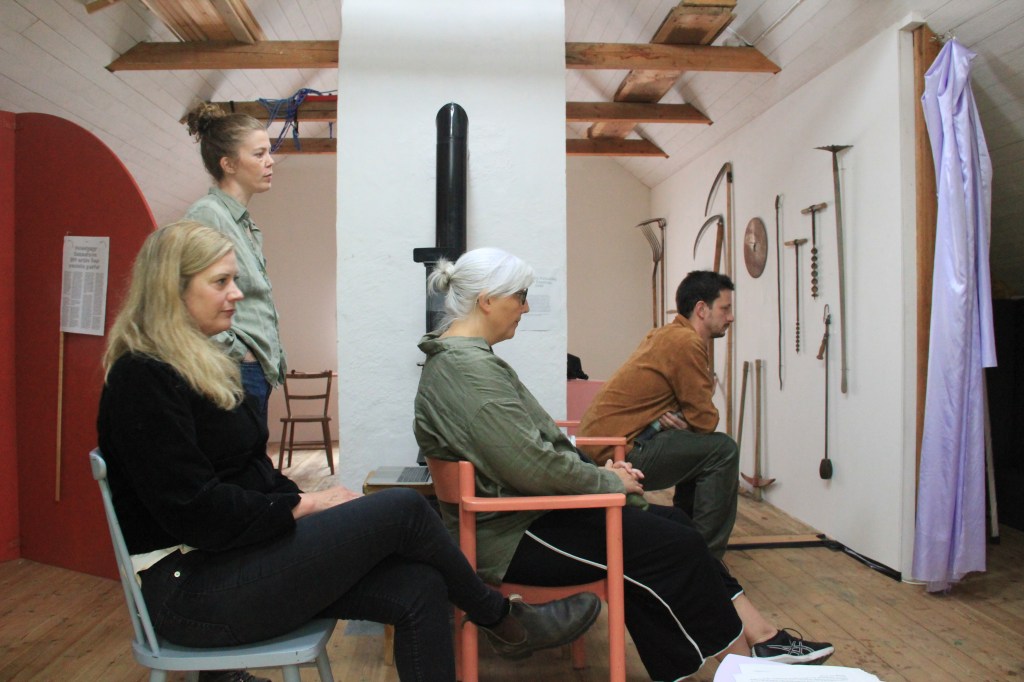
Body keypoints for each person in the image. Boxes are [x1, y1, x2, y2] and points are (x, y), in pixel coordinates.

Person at [97, 223, 603, 682]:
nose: (236, 295)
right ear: (172, 288)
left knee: (420, 585)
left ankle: (503, 621)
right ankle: (501, 618)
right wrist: (305, 506)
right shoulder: (141, 377)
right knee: (404, 507)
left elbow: (248, 472)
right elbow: (195, 510)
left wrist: (302, 506)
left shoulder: (200, 366)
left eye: (235, 281)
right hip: (188, 590)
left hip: (229, 563)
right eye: (221, 282)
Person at [413, 249, 834, 680]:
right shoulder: (467, 371)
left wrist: (605, 477)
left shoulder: (468, 362)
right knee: (676, 547)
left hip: (525, 516)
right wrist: (606, 481)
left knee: (678, 527)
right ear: (487, 300)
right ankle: (742, 665)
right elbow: (531, 466)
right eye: (520, 297)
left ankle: (760, 639)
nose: (526, 307)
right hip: (512, 535)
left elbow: (529, 453)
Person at [579, 270, 740, 559]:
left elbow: (692, 418)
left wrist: (680, 423)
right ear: (701, 309)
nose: (730, 317)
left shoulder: (667, 334)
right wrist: (688, 419)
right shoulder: (686, 343)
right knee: (723, 449)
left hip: (605, 446)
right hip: (616, 453)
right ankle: (706, 559)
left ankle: (686, 544)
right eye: (725, 309)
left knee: (701, 449)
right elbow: (705, 421)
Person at [183, 102, 285, 424]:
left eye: (269, 152)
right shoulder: (207, 215)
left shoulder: (242, 222)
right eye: (259, 154)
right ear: (227, 163)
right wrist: (237, 352)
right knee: (240, 466)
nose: (270, 162)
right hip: (236, 368)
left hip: (255, 369)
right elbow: (182, 294)